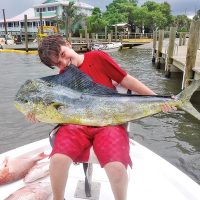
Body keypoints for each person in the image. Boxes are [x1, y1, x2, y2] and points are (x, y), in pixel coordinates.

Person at [27, 34, 175, 200]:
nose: (63, 63)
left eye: (62, 54)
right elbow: (60, 110)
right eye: (57, 64)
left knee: (117, 167)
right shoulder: (63, 76)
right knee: (57, 161)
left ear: (68, 44)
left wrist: (157, 98)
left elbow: (126, 80)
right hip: (75, 125)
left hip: (109, 122)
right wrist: (39, 115)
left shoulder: (97, 57)